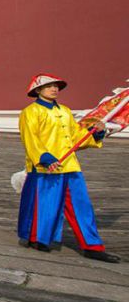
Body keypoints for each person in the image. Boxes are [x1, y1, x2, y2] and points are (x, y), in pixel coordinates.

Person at [17, 74, 118, 262]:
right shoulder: (31, 112)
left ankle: (92, 246)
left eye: (56, 86)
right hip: (46, 167)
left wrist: (96, 132)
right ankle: (37, 239)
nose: (54, 89)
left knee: (82, 206)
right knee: (44, 206)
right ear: (38, 90)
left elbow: (76, 137)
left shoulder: (65, 111)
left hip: (69, 164)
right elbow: (30, 138)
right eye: (49, 86)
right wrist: (45, 157)